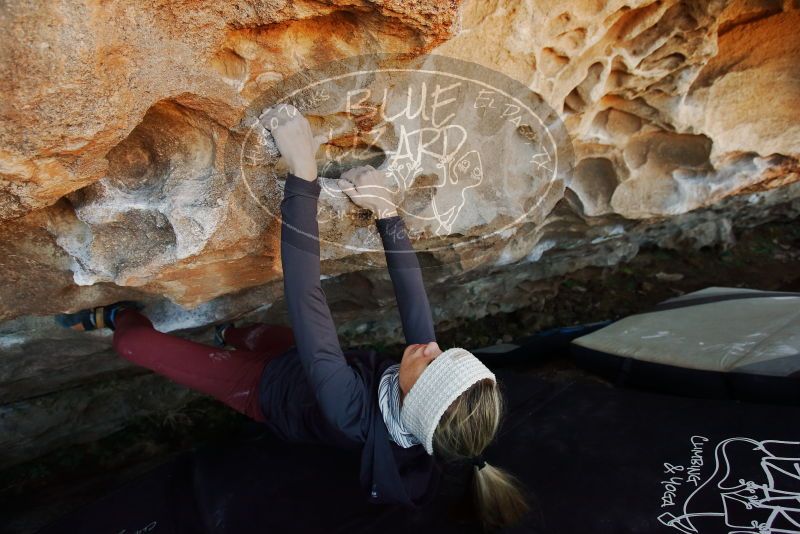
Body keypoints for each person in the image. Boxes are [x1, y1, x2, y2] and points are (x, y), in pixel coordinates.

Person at [56, 103, 528, 530]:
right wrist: (386, 210)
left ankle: (122, 315)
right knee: (245, 335)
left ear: (413, 399)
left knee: (132, 346)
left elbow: (307, 299)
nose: (431, 347)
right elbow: (412, 296)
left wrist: (301, 173)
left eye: (432, 363)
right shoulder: (419, 379)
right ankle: (229, 332)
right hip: (295, 357)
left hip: (263, 390)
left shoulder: (352, 415)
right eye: (446, 354)